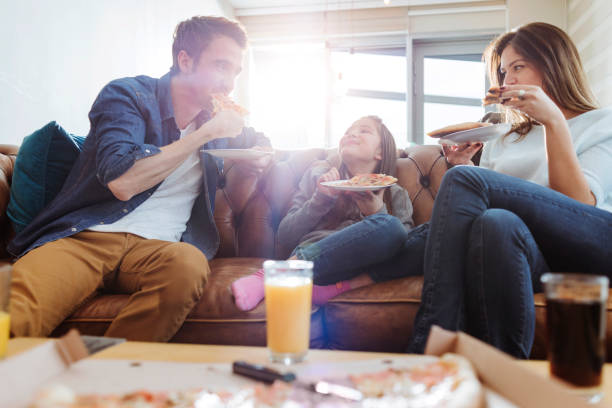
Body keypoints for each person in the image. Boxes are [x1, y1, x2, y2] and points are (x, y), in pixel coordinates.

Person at [8, 16, 272, 341]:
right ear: (185, 60)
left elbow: (258, 142)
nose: (229, 83)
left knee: (188, 266)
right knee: (12, 315)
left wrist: (261, 155)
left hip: (161, 249)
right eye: (220, 66)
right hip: (86, 238)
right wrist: (203, 135)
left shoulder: (218, 118)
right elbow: (122, 182)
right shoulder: (129, 96)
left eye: (235, 71)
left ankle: (103, 376)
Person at [409, 22, 612, 358]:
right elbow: (480, 208)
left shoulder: (603, 122)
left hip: (594, 244)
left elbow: (580, 204)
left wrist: (554, 121)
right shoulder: (504, 136)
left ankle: (429, 341)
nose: (508, 81)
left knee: (463, 184)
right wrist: (464, 165)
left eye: (518, 67)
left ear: (555, 65)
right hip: (536, 254)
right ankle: (504, 371)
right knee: (495, 222)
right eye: (503, 72)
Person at [230, 115, 430, 311]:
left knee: (432, 232)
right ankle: (271, 276)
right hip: (316, 265)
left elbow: (406, 246)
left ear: (380, 151)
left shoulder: (396, 194)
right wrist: (320, 199)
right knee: (390, 226)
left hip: (369, 268)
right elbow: (285, 235)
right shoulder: (319, 176)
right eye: (348, 131)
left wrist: (377, 212)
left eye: (364, 130)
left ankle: (339, 289)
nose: (351, 134)